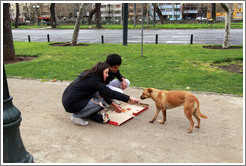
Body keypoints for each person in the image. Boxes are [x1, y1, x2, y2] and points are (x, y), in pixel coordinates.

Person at [62, 62, 140, 126]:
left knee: (99, 95)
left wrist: (113, 105)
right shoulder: (95, 81)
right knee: (101, 103)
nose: (107, 75)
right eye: (106, 73)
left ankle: (85, 110)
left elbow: (103, 92)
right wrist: (129, 98)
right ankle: (76, 116)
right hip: (71, 104)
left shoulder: (91, 74)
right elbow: (110, 93)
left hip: (69, 99)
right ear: (100, 71)